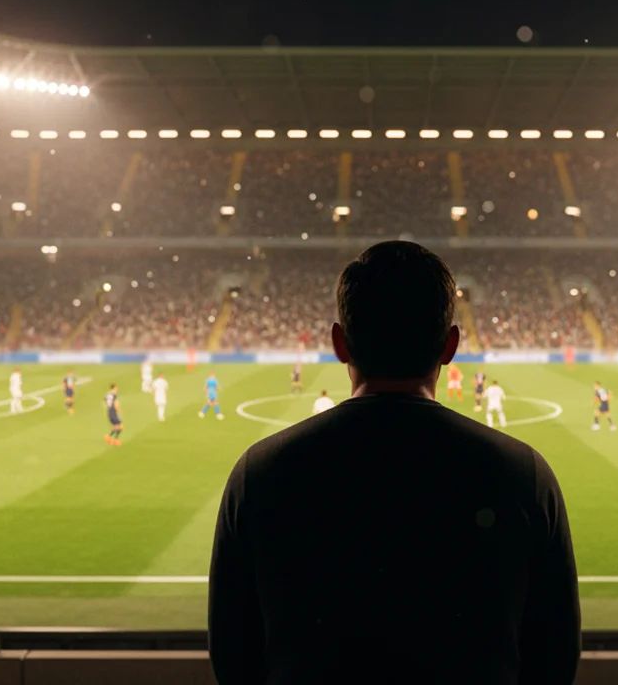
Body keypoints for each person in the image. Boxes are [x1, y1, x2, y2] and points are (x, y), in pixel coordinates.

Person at [209, 241, 580, 685]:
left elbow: (233, 657)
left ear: (339, 343)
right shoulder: (524, 475)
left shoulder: (259, 473)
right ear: (451, 346)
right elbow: (555, 659)